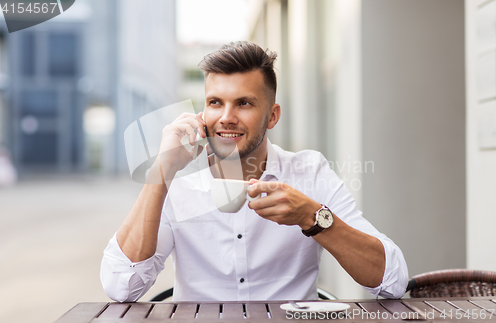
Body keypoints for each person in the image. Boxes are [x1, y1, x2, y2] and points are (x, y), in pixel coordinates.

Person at [101, 41, 408, 302]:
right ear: (202, 113)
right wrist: (162, 170)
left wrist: (312, 217)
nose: (227, 117)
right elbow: (120, 287)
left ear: (272, 116)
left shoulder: (310, 172)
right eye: (215, 102)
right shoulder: (177, 183)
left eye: (244, 103)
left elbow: (392, 281)